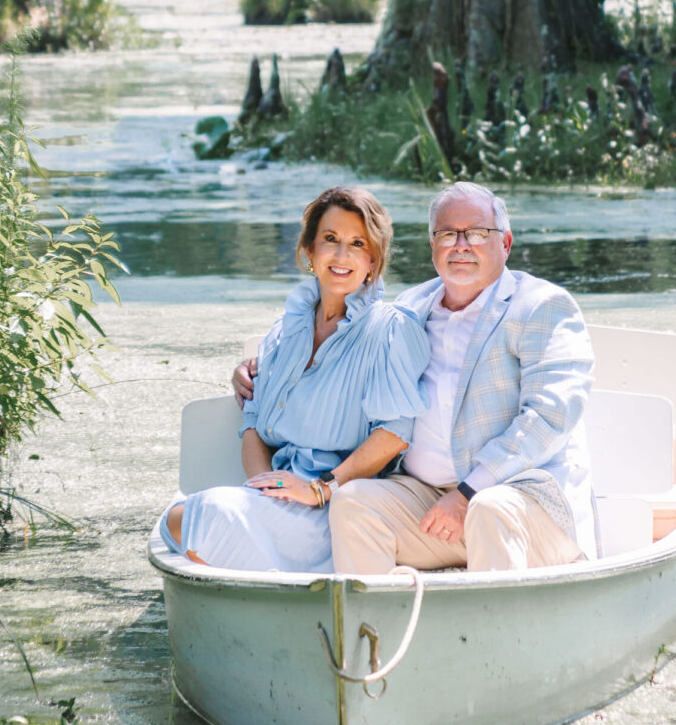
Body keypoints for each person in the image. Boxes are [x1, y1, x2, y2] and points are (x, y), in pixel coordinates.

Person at [234, 183, 596, 574]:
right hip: (425, 501)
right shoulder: (410, 310)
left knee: (489, 509)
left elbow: (550, 416)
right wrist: (259, 371)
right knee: (353, 501)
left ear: (505, 243)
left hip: (521, 502)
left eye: (476, 233)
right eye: (446, 233)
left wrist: (466, 493)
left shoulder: (542, 306)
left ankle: (492, 634)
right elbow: (340, 358)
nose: (460, 244)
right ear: (432, 245)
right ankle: (371, 630)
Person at [160, 186, 429, 573]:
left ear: (373, 260)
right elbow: (252, 423)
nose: (341, 256)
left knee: (200, 518)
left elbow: (396, 432)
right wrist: (268, 490)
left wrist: (319, 490)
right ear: (310, 250)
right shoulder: (288, 327)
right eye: (330, 240)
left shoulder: (391, 329)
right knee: (182, 519)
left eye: (357, 243)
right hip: (280, 500)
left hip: (337, 510)